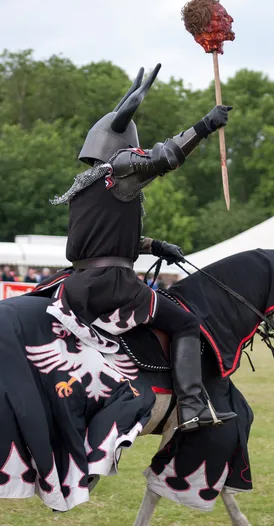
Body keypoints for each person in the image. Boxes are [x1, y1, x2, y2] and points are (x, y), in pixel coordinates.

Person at [50, 63, 236, 432]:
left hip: (80, 280)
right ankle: (193, 408)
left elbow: (103, 241)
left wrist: (153, 246)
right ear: (121, 147)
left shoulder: (83, 187)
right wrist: (205, 125)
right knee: (186, 322)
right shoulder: (119, 167)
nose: (137, 151)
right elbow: (165, 157)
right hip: (113, 284)